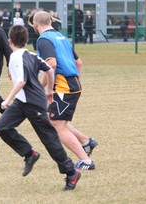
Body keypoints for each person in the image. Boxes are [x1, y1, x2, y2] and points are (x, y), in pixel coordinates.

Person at [0, 25, 81, 191]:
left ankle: (71, 172)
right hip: (22, 102)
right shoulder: (32, 55)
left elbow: (21, 81)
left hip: (34, 103)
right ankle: (29, 154)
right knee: (2, 127)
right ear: (27, 40)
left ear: (9, 41)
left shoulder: (15, 57)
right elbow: (49, 70)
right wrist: (49, 91)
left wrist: (7, 100)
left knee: (49, 139)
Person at [33, 10, 98, 170]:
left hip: (63, 87)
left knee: (57, 124)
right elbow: (79, 63)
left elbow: (52, 65)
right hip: (73, 84)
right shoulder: (62, 38)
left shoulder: (43, 40)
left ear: (35, 25)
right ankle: (86, 142)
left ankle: (86, 161)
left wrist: (48, 90)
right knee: (55, 119)